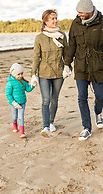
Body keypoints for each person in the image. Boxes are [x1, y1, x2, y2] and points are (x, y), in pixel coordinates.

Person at [64, 0, 103, 141]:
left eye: (82, 13)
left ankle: (98, 112)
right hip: (80, 65)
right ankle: (86, 128)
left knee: (101, 97)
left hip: (98, 66)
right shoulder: (75, 23)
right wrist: (67, 64)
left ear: (90, 11)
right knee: (81, 97)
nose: (79, 15)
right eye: (78, 12)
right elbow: (71, 44)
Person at [30, 9, 71, 138]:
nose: (55, 21)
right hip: (44, 74)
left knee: (54, 99)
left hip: (59, 73)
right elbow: (36, 57)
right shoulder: (39, 38)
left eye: (56, 18)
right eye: (52, 19)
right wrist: (33, 74)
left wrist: (67, 67)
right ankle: (46, 127)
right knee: (46, 100)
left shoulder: (62, 35)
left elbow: (67, 54)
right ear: (45, 21)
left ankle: (51, 121)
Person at [6, 63, 35, 138]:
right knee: (14, 116)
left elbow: (28, 89)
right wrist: (13, 102)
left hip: (22, 103)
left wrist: (33, 85)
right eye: (18, 74)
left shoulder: (23, 82)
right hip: (13, 104)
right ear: (14, 74)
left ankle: (22, 132)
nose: (20, 76)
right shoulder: (10, 83)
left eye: (21, 74)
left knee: (21, 117)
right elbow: (8, 94)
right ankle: (14, 125)